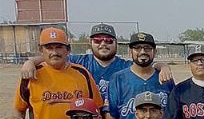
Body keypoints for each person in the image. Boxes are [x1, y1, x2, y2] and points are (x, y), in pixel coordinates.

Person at [19, 22, 172, 100]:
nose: (103, 44)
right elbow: (54, 57)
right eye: (98, 40)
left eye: (108, 40)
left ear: (116, 43)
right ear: (90, 44)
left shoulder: (125, 66)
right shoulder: (80, 63)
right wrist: (31, 61)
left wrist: (163, 66)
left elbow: (144, 65)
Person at [14, 27, 103, 119]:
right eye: (49, 48)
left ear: (68, 49)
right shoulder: (30, 75)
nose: (54, 52)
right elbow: (20, 110)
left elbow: (97, 108)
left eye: (59, 47)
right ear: (41, 50)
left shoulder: (82, 74)